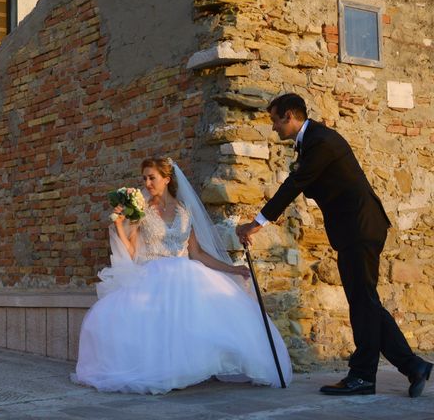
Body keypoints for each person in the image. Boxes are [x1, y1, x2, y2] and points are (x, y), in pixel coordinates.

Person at [236, 93, 432, 397]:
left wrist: (256, 223)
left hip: (359, 228)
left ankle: (364, 376)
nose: (273, 127)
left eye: (275, 120)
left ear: (289, 116)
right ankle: (413, 366)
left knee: (363, 303)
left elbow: (294, 185)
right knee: (365, 302)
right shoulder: (313, 139)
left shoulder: (320, 141)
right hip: (356, 229)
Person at [72, 157, 293, 394]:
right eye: (144, 178)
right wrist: (118, 224)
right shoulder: (141, 210)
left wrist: (232, 269)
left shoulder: (185, 210)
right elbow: (132, 251)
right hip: (152, 272)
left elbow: (196, 253)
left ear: (166, 179)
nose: (147, 183)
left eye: (152, 177)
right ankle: (165, 372)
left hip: (186, 272)